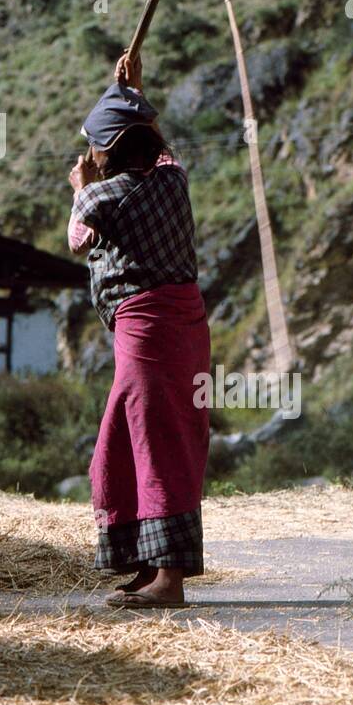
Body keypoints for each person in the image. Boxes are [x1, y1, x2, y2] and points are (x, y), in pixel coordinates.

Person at [67, 52, 210, 608]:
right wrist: (134, 95)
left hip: (147, 331)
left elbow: (78, 240)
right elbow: (160, 147)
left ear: (109, 153)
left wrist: (80, 186)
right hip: (182, 329)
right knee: (126, 441)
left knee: (157, 441)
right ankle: (148, 564)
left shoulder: (102, 197)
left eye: (98, 146)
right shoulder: (173, 180)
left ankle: (169, 581)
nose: (91, 155)